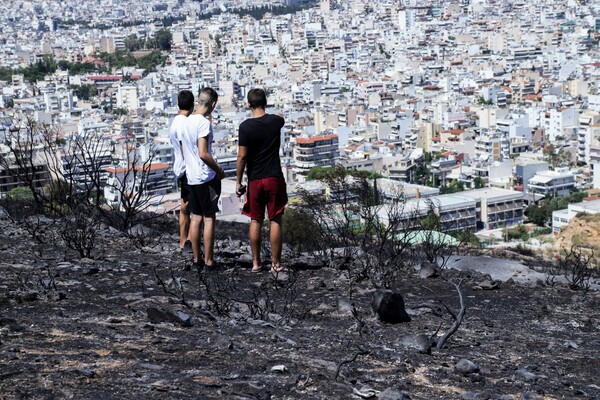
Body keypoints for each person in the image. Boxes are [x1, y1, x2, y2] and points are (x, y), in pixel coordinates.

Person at [235, 88, 288, 273]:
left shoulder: (245, 127)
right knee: (275, 219)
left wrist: (238, 181)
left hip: (255, 179)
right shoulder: (275, 122)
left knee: (255, 220)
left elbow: (241, 156)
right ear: (265, 102)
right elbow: (281, 117)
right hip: (274, 176)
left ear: (249, 104)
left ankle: (256, 263)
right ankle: (276, 264)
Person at [180, 87, 224, 270]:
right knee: (209, 218)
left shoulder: (185, 122)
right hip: (205, 177)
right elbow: (203, 153)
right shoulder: (204, 123)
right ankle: (209, 261)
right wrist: (219, 170)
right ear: (213, 104)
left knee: (195, 217)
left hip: (191, 177)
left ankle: (197, 259)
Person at [169, 90, 194, 253]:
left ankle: (182, 240)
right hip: (188, 169)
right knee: (195, 207)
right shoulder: (185, 123)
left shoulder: (174, 122)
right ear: (192, 105)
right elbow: (185, 147)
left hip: (179, 168)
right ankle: (190, 241)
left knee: (184, 205)